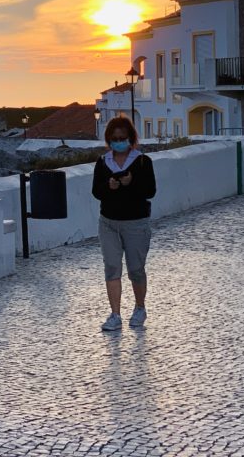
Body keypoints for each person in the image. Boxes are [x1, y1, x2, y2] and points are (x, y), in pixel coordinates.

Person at [91, 115, 156, 332]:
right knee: (112, 267)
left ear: (130, 138)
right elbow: (96, 191)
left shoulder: (142, 162)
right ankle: (115, 314)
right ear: (109, 140)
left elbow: (150, 191)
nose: (119, 141)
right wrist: (109, 186)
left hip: (136, 222)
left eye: (122, 137)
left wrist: (132, 183)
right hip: (109, 222)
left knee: (136, 269)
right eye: (114, 138)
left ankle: (139, 307)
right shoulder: (103, 162)